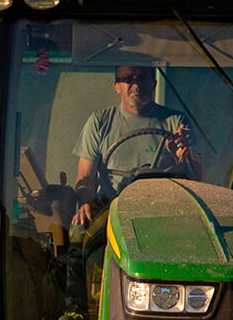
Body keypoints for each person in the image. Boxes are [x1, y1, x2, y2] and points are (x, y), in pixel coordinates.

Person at [70, 65, 198, 225]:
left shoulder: (176, 122)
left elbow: (197, 176)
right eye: (129, 79)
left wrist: (182, 155)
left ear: (154, 84)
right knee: (78, 235)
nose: (136, 85)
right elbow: (85, 177)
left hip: (163, 212)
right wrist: (85, 205)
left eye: (143, 78)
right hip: (111, 211)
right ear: (117, 86)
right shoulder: (100, 121)